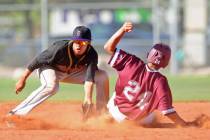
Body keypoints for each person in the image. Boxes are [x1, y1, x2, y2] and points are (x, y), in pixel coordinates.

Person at [8, 25, 109, 120]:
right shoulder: (59, 48)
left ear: (89, 43)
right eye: (76, 41)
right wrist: (23, 79)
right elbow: (37, 61)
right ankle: (15, 114)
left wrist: (87, 99)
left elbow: (89, 78)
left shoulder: (92, 54)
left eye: (83, 42)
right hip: (49, 69)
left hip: (71, 73)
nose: (79, 45)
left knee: (102, 76)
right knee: (52, 87)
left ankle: (102, 114)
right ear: (72, 41)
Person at [104, 22, 194, 127]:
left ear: (148, 55)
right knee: (152, 112)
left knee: (117, 93)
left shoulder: (131, 62)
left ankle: (108, 115)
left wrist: (122, 30)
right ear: (166, 63)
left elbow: (108, 47)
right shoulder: (160, 81)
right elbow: (167, 111)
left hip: (117, 113)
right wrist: (184, 124)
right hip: (139, 121)